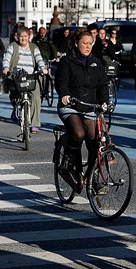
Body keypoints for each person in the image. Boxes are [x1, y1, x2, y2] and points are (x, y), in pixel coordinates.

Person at [54, 28, 109, 193]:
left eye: (90, 43)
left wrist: (104, 101)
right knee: (78, 133)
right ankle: (67, 165)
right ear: (76, 43)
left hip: (88, 107)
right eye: (84, 43)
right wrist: (64, 94)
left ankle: (92, 178)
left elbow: (102, 85)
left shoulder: (96, 62)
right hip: (70, 106)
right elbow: (60, 81)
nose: (87, 46)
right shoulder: (67, 61)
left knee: (95, 141)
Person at [1, 26, 48, 134]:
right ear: (17, 37)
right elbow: (7, 58)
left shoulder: (34, 47)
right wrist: (6, 68)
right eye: (21, 36)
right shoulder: (13, 46)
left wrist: (42, 68)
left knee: (36, 97)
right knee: (14, 94)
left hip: (30, 76)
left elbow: (39, 59)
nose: (23, 38)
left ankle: (34, 124)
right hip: (16, 75)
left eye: (25, 36)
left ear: (29, 37)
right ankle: (16, 108)